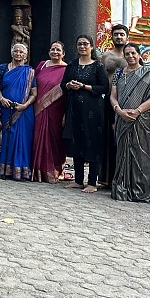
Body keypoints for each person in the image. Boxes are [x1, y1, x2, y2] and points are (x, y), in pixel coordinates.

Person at [109, 42, 150, 202]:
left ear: (140, 54)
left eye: (133, 53)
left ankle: (140, 191)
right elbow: (113, 95)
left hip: (141, 119)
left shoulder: (149, 73)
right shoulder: (119, 74)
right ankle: (122, 189)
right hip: (121, 118)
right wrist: (119, 111)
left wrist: (138, 111)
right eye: (127, 54)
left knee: (141, 154)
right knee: (122, 154)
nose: (130, 56)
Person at [61, 34, 110, 193]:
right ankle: (78, 180)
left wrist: (84, 86)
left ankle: (92, 182)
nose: (82, 47)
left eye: (85, 44)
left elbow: (104, 88)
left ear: (91, 47)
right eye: (79, 44)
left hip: (93, 111)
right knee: (77, 143)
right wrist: (69, 84)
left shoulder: (97, 66)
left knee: (93, 143)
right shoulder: (72, 65)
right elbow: (62, 85)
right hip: (75, 109)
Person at [0, 43, 37, 180]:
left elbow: (34, 93)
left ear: (25, 55)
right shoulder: (3, 68)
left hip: (24, 112)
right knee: (9, 138)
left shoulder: (30, 71)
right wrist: (1, 99)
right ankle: (6, 170)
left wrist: (25, 105)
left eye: (21, 52)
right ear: (11, 53)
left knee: (23, 139)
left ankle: (22, 171)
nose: (18, 54)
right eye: (16, 51)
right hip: (8, 109)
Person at [30, 41, 68, 183]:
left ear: (63, 53)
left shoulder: (67, 69)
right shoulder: (42, 65)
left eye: (58, 50)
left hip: (57, 109)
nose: (55, 52)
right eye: (52, 49)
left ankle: (54, 171)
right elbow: (33, 84)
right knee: (37, 137)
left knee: (55, 140)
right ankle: (37, 170)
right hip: (38, 108)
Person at [98, 23, 130, 188]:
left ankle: (122, 177)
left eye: (121, 34)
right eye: (116, 34)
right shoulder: (106, 56)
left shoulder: (131, 56)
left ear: (127, 37)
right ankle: (106, 178)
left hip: (126, 101)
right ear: (112, 37)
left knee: (122, 140)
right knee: (107, 140)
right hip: (108, 101)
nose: (119, 37)